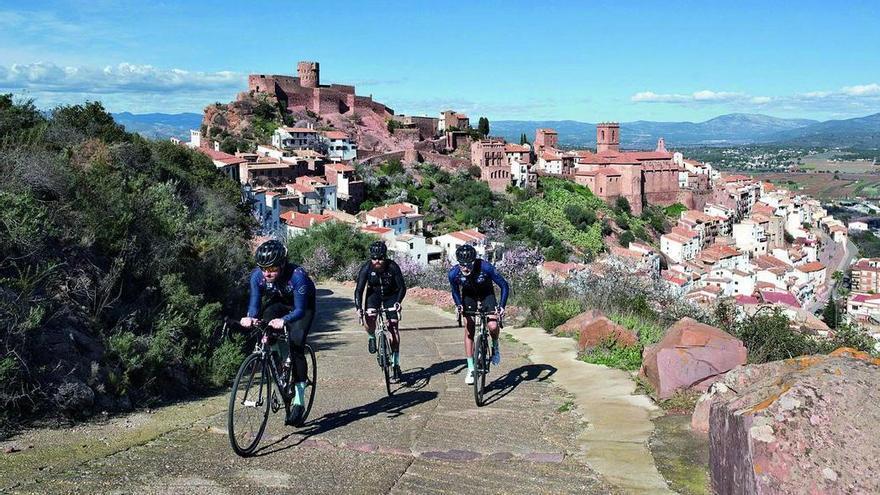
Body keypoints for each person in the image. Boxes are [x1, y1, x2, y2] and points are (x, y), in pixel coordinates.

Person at [240, 239, 316, 426]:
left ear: (282, 264)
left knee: (296, 343)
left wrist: (285, 320)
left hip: (302, 305)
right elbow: (255, 303)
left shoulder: (297, 276)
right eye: (263, 268)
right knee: (264, 327)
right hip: (279, 301)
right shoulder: (257, 276)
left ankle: (299, 399)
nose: (267, 273)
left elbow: (299, 310)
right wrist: (250, 317)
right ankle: (280, 362)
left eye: (273, 268)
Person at [448, 244, 509, 385]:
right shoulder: (453, 274)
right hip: (469, 296)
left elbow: (504, 285)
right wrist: (459, 305)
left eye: (469, 264)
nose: (466, 268)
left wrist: (501, 306)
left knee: (493, 326)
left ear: (474, 261)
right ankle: (470, 368)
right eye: (462, 265)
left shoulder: (485, 267)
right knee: (469, 326)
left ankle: (495, 345)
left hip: (487, 294)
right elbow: (455, 291)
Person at [354, 241, 407, 381]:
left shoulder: (392, 266)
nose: (377, 261)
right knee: (369, 317)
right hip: (374, 295)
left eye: (380, 258)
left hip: (391, 295)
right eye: (374, 258)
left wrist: (398, 303)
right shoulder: (366, 268)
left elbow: (402, 287)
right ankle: (371, 336)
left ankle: (395, 364)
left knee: (393, 327)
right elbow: (359, 290)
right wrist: (359, 308)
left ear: (385, 257)